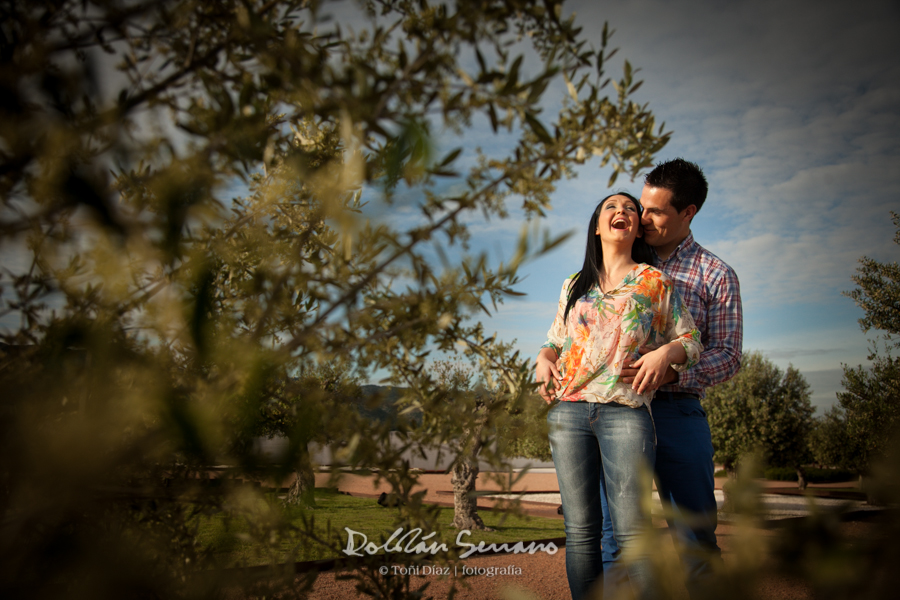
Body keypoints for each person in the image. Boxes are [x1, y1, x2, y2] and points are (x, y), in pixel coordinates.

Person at [535, 192, 702, 600]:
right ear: (597, 226)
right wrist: (542, 359)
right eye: (611, 207)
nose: (622, 212)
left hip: (625, 414)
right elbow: (554, 340)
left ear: (636, 227)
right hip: (568, 413)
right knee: (580, 533)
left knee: (631, 534)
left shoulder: (653, 281)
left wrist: (665, 354)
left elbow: (691, 340)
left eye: (630, 208)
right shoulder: (574, 284)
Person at [618, 159, 743, 597]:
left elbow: (728, 356)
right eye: (642, 206)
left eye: (655, 212)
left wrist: (669, 372)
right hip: (613, 413)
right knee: (619, 540)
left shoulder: (718, 275)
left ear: (688, 212)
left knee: (696, 541)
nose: (642, 218)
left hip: (679, 413)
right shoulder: (620, 259)